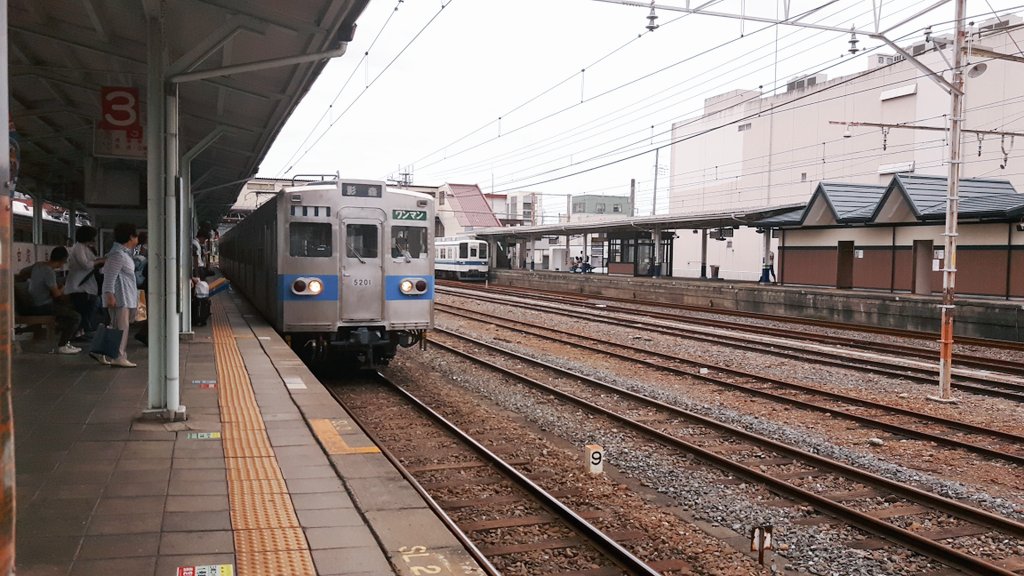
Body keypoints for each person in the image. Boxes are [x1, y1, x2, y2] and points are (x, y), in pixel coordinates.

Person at [25, 246, 82, 354]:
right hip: (43, 306)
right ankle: (63, 345)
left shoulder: (38, 265)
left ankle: (65, 339)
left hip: (34, 303)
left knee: (67, 311)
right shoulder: (49, 272)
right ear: (63, 260)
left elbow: (23, 272)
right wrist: (64, 286)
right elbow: (57, 295)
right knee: (75, 317)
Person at [98, 222, 140, 367]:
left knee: (116, 326)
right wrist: (109, 295)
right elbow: (109, 276)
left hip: (125, 296)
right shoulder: (117, 255)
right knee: (121, 328)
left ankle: (102, 351)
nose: (137, 239)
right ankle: (119, 356)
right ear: (130, 237)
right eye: (136, 236)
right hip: (120, 297)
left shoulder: (123, 253)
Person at [65, 225, 104, 338]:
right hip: (78, 286)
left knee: (87, 307)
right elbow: (85, 264)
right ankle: (79, 331)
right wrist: (99, 261)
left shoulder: (85, 247)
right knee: (83, 308)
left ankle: (81, 330)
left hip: (85, 285)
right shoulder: (78, 248)